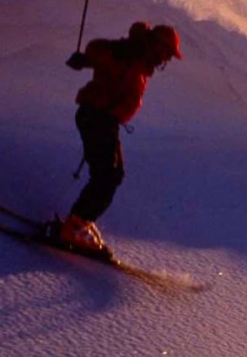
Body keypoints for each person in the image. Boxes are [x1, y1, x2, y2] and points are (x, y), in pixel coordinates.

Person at [56, 21, 183, 252]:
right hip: (96, 117)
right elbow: (98, 50)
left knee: (112, 175)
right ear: (157, 46)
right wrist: (86, 59)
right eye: (167, 54)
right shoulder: (129, 53)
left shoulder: (141, 63)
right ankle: (75, 227)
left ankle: (80, 221)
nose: (166, 60)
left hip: (105, 121)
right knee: (108, 176)